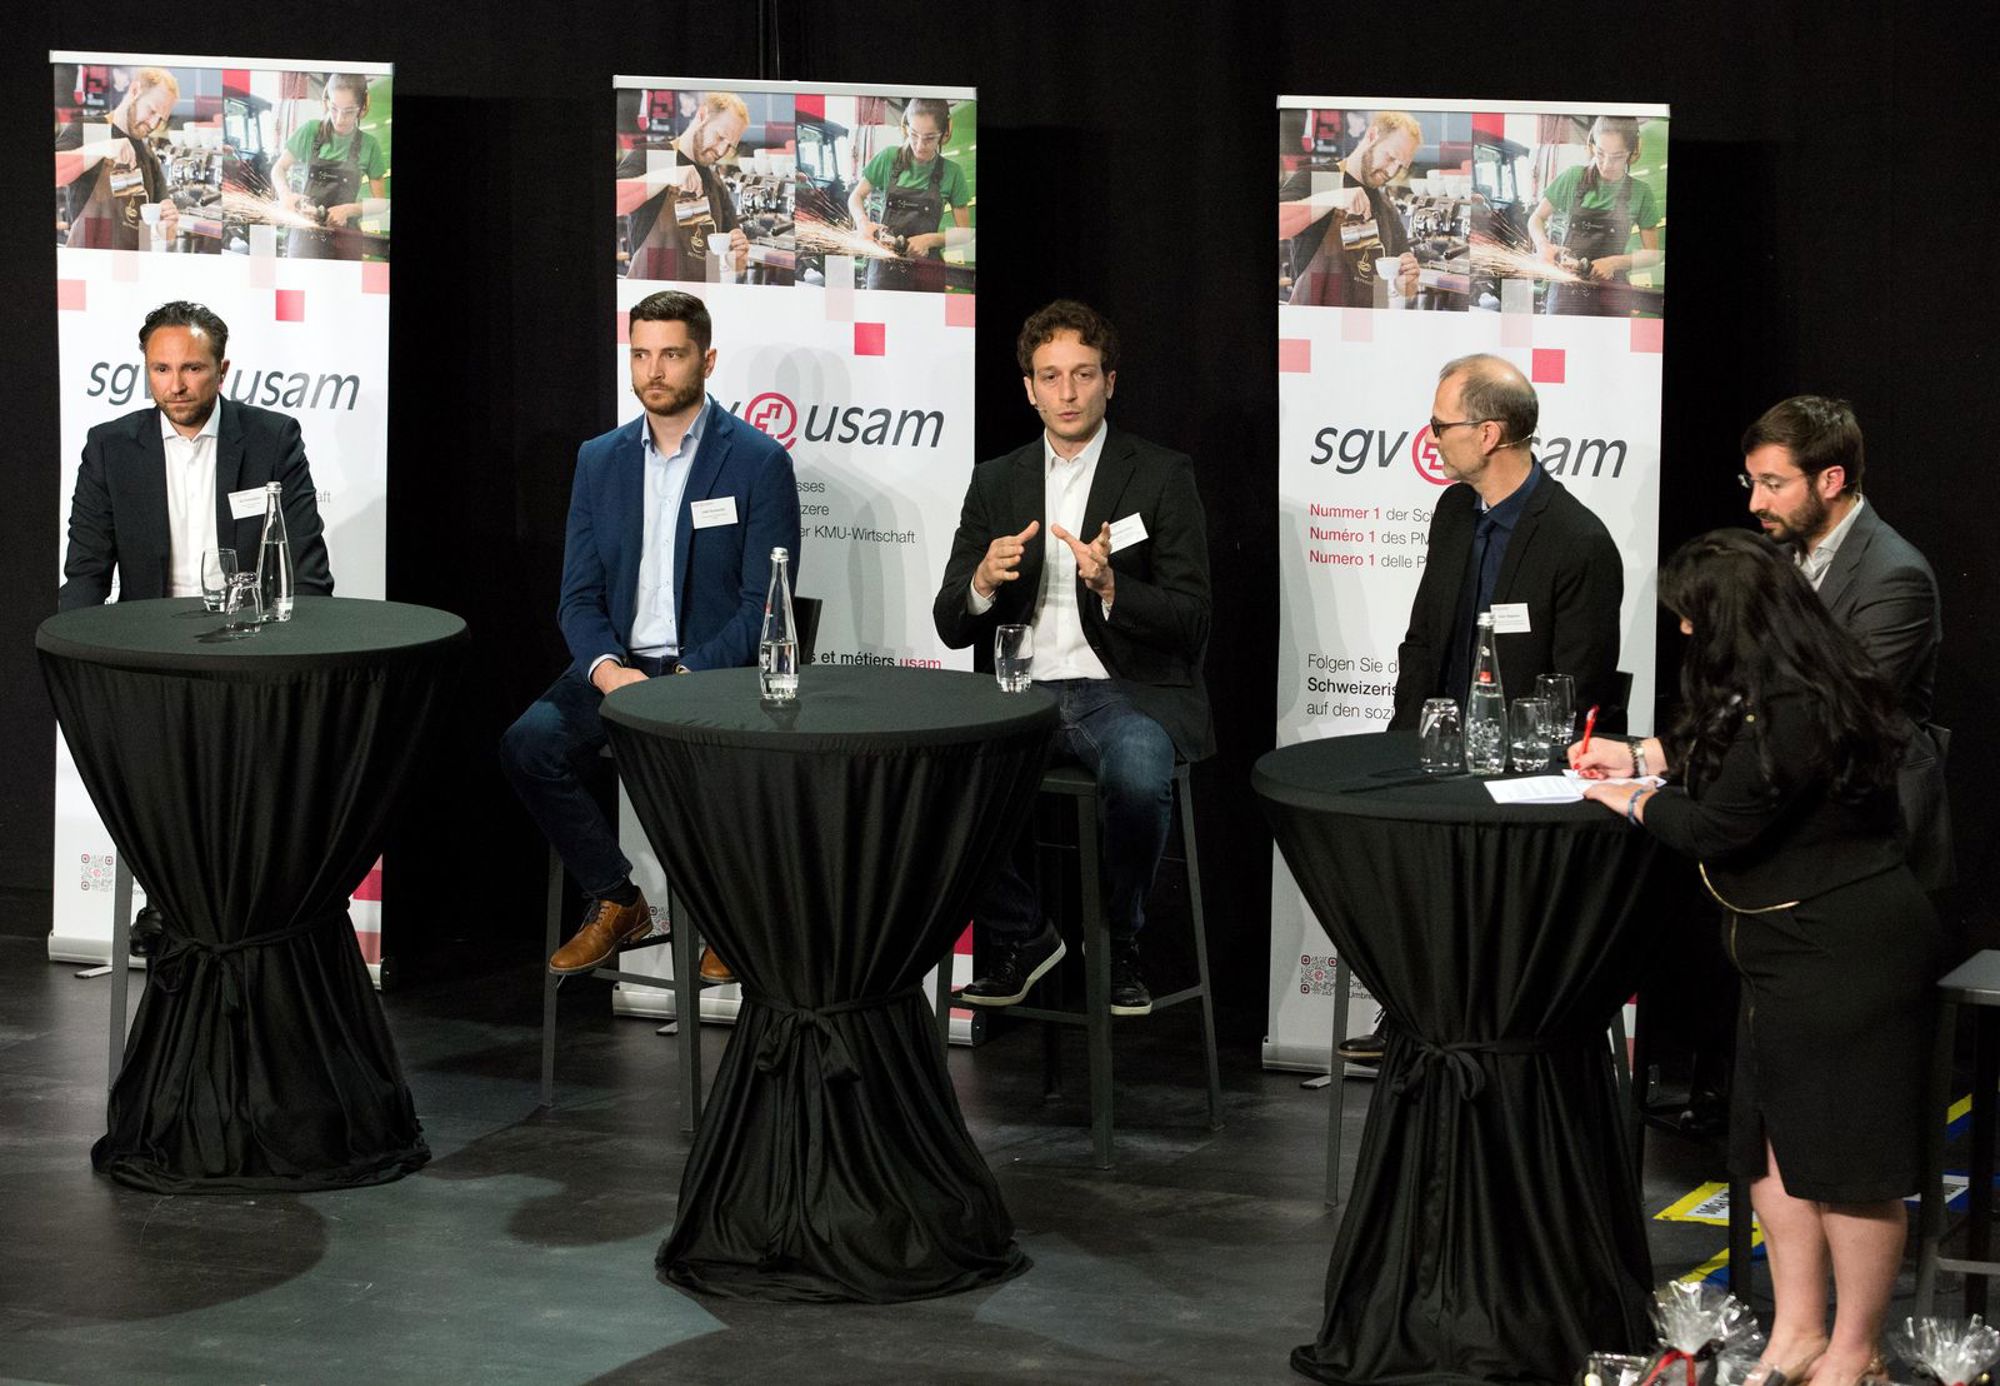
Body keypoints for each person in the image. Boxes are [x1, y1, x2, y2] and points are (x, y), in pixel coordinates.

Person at [1574, 528, 1939, 1386]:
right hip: (1780, 953)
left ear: (1730, 617)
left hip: (1842, 954)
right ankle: (1799, 1331)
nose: (1684, 632)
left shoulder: (1798, 703)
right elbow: (1718, 755)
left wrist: (1629, 799)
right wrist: (1641, 757)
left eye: (1692, 618)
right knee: (1773, 1154)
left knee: (1845, 1168)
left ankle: (1855, 1351)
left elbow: (1718, 824)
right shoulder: (1773, 682)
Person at [501, 290, 799, 982]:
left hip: (709, 673)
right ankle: (617, 898)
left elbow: (765, 603)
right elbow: (577, 597)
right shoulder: (600, 458)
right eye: (640, 355)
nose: (654, 371)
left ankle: (729, 917)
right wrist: (608, 672)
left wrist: (689, 679)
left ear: (707, 360)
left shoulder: (757, 461)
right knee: (528, 744)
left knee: (700, 767)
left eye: (671, 354)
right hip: (622, 669)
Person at [933, 300, 1211, 1015]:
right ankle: (1024, 935)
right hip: (1020, 692)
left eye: (1083, 374)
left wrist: (1115, 587)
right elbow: (949, 622)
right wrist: (982, 581)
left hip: (1122, 692)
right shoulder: (997, 480)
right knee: (934, 776)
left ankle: (1119, 940)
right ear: (1028, 388)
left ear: (1109, 382)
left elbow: (1192, 620)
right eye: (1050, 376)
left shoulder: (1160, 474)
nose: (1067, 392)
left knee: (1140, 772)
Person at [1741, 395, 1950, 891]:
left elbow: (1844, 706)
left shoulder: (1895, 574)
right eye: (1752, 483)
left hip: (1868, 826)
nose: (1756, 503)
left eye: (1773, 484)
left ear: (1830, 480)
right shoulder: (1773, 555)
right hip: (1787, 803)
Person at [1388, 353, 1624, 729]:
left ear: (1487, 435)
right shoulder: (1454, 509)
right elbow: (1422, 642)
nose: (1431, 439)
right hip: (1434, 747)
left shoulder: (1578, 543)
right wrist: (1402, 741)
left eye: (1439, 426)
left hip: (1522, 757)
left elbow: (1575, 693)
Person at [60, 301, 333, 610]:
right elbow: (86, 574)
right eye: (162, 369)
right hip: (146, 632)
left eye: (192, 368)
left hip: (249, 630)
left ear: (221, 371)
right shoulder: (110, 447)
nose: (176, 386)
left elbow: (307, 573)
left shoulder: (273, 440)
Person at [1280, 111, 1423, 308]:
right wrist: (1334, 197)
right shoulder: (1324, 179)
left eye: (1400, 166)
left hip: (1367, 322)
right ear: (1372, 136)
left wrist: (1406, 281)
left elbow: (1405, 286)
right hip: (1317, 320)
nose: (1392, 172)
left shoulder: (1386, 206)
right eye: (1390, 157)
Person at [1529, 115, 1663, 316]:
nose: (1607, 164)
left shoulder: (1641, 192)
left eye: (1617, 156)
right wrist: (1543, 246)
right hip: (1566, 293)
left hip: (1612, 296)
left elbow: (1653, 254)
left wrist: (1613, 263)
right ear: (1592, 146)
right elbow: (1536, 219)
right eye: (1600, 153)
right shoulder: (1573, 177)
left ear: (1633, 152)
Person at [622, 92, 751, 283]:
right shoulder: (655, 156)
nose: (721, 151)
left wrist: (735, 259)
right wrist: (668, 174)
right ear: (702, 115)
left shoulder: (716, 184)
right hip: (653, 296)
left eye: (730, 146)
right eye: (720, 137)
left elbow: (727, 263)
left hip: (700, 298)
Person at [846, 98, 971, 291]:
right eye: (914, 135)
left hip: (928, 273)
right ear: (906, 128)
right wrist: (863, 224)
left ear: (945, 133)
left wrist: (929, 240)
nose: (920, 145)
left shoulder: (953, 172)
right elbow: (855, 197)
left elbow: (964, 234)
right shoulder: (888, 158)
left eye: (930, 138)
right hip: (884, 269)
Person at [55, 66, 181, 251]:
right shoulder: (92, 130)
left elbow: (162, 230)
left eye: (162, 119)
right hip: (89, 260)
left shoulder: (148, 156)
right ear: (135, 90)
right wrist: (103, 147)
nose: (154, 124)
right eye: (152, 111)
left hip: (131, 263)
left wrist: (167, 226)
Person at [270, 73, 387, 260]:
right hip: (305, 238)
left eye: (349, 111)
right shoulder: (310, 131)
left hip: (346, 241)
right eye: (334, 109)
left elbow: (381, 203)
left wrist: (348, 210)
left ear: (363, 107)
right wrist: (285, 195)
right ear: (326, 102)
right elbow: (278, 169)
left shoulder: (370, 145)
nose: (339, 119)